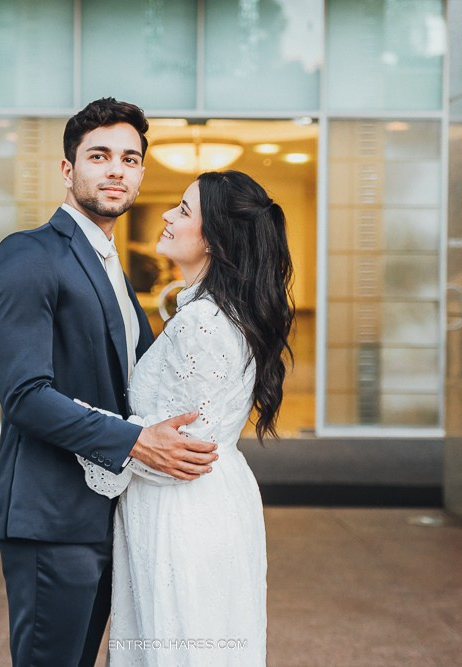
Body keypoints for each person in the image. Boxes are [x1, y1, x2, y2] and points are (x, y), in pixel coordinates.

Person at [0, 98, 219, 666]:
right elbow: (24, 396)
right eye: (99, 156)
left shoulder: (114, 264)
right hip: (52, 515)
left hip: (111, 513)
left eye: (130, 159)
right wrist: (138, 442)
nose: (116, 170)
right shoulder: (29, 254)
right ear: (69, 171)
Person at [76, 170, 295, 665]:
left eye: (183, 210)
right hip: (209, 498)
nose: (168, 216)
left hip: (181, 508)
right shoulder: (218, 310)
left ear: (214, 239)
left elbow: (175, 451)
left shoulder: (203, 322)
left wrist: (74, 423)